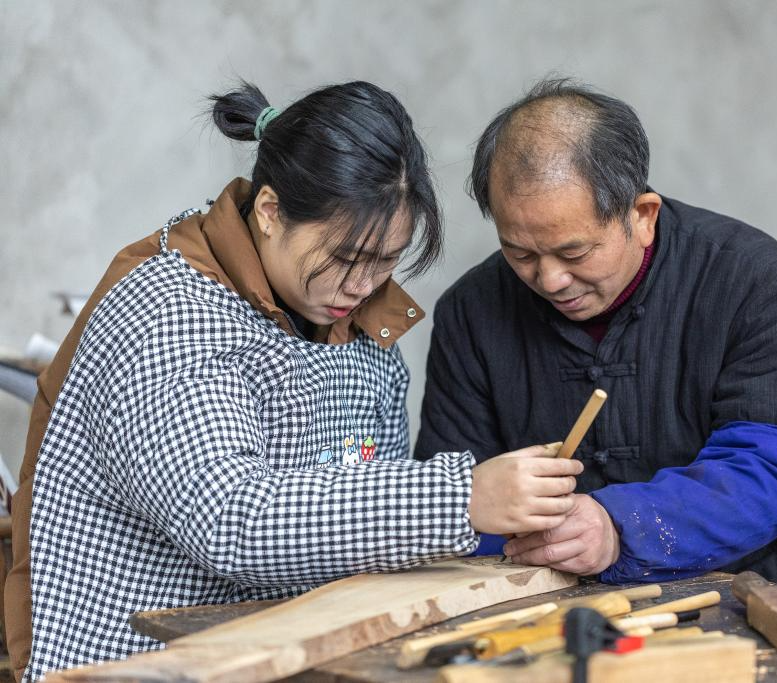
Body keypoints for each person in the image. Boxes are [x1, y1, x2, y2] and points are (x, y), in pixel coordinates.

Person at [5, 80, 582, 680]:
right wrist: (459, 497)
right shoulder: (168, 309)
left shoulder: (364, 334)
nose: (362, 286)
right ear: (270, 212)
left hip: (276, 657)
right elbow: (229, 518)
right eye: (344, 258)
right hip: (127, 661)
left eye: (386, 261)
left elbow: (367, 524)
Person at [415, 78, 777, 599]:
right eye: (520, 253)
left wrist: (618, 527)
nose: (549, 279)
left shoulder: (758, 282)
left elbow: (766, 472)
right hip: (558, 597)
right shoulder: (471, 312)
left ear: (642, 216)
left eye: (574, 253)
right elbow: (458, 496)